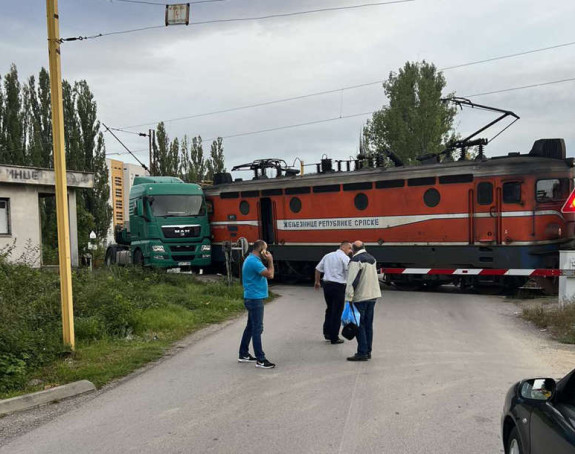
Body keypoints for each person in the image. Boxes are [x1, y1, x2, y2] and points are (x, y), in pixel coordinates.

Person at [238, 239, 276, 369]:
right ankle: (261, 359)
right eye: (266, 249)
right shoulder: (254, 261)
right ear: (261, 250)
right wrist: (270, 260)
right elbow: (270, 275)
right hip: (254, 299)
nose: (267, 252)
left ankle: (243, 354)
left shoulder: (250, 259)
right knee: (257, 329)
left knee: (250, 327)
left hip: (251, 297)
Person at [345, 240, 382, 362]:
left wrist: (348, 298)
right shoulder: (372, 259)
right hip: (373, 296)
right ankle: (368, 351)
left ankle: (362, 352)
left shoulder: (356, 260)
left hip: (361, 297)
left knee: (359, 325)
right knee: (368, 325)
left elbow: (352, 281)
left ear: (354, 249)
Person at [314, 241, 352, 344]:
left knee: (329, 309)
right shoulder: (345, 258)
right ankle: (334, 337)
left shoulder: (328, 256)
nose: (350, 251)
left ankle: (327, 333)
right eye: (349, 248)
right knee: (337, 311)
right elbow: (349, 272)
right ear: (344, 248)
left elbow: (318, 269)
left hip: (327, 285)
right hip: (339, 286)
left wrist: (317, 281)